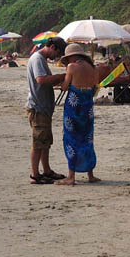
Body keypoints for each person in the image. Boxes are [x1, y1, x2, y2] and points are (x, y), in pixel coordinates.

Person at [57, 43, 100, 185]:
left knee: (72, 139)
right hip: (87, 105)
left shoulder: (72, 67)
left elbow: (65, 86)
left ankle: (71, 176)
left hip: (74, 106)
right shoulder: (93, 68)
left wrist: (62, 82)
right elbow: (95, 86)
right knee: (87, 138)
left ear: (72, 57)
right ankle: (90, 174)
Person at [26, 37, 67, 184]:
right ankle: (35, 175)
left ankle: (46, 171)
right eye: (57, 53)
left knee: (45, 141)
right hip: (38, 107)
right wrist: (62, 76)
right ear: (52, 47)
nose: (56, 57)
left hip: (43, 107)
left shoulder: (40, 59)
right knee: (38, 142)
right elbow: (41, 80)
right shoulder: (37, 58)